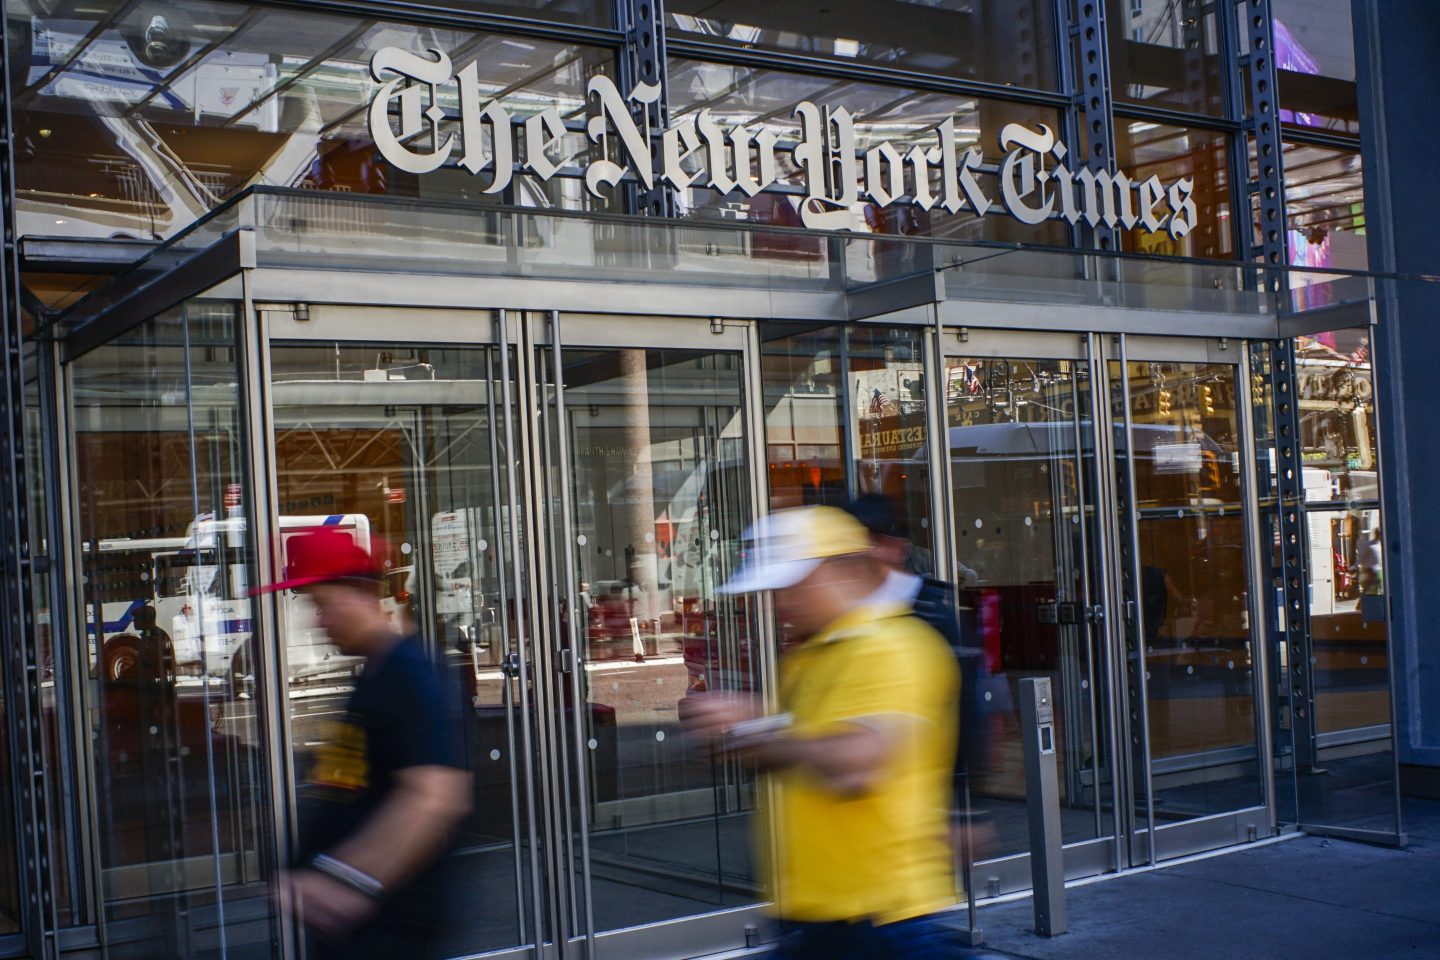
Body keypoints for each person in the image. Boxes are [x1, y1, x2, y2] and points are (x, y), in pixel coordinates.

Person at [683, 506, 961, 959]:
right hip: (815, 910)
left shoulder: (893, 647)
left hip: (878, 915)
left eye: (791, 585)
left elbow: (858, 765)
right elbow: (797, 749)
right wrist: (738, 732)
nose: (780, 603)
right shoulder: (810, 655)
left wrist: (753, 726)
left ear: (840, 570)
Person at [256, 527, 472, 960]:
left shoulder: (408, 674)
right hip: (358, 931)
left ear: (361, 594)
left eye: (324, 604)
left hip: (391, 933)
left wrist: (345, 882)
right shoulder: (376, 673)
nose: (319, 621)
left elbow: (434, 797)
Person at [844, 494, 994, 859]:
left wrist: (967, 806)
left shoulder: (932, 612)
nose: (860, 556)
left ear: (895, 547)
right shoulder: (847, 612)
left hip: (919, 799)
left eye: (869, 544)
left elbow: (965, 707)